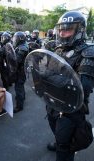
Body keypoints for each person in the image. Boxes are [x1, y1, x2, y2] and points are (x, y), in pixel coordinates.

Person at [46, 11, 94, 161]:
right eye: (61, 29)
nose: (62, 33)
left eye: (68, 29)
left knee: (65, 147)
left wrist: (52, 79)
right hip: (53, 101)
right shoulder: (59, 50)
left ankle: (64, 147)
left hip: (72, 108)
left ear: (79, 30)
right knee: (55, 128)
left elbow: (81, 87)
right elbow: (47, 73)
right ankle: (60, 141)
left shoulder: (88, 52)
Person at [12, 32, 29, 113]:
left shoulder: (22, 48)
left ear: (20, 39)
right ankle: (22, 97)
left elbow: (17, 61)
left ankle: (19, 106)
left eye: (16, 38)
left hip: (21, 70)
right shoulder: (22, 46)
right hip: (21, 70)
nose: (15, 40)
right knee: (20, 85)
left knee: (18, 87)